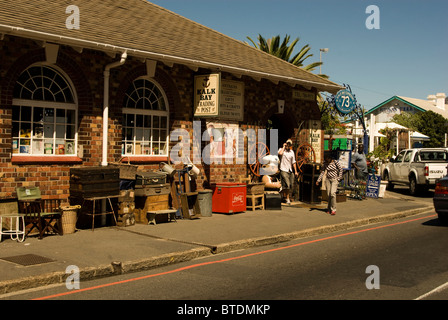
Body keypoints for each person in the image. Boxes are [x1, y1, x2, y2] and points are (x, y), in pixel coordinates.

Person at [278, 139, 298, 204]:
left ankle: (282, 193)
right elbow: (280, 153)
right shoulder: (282, 150)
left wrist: (295, 171)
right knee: (287, 184)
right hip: (283, 169)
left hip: (290, 170)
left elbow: (294, 162)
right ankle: (287, 198)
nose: (288, 145)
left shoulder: (292, 152)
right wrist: (283, 147)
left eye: (289, 144)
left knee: (291, 185)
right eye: (287, 144)